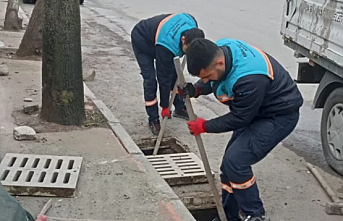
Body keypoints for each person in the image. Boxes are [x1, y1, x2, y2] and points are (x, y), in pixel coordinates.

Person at [178, 38, 303, 221]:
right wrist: (196, 90)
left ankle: (255, 215)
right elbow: (214, 80)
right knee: (228, 167)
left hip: (278, 115)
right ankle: (230, 216)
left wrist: (204, 126)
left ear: (219, 63)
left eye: (206, 76)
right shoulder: (221, 51)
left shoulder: (249, 79)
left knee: (236, 161)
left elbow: (240, 118)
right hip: (257, 110)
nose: (205, 80)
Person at [131, 13, 205, 135]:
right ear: (183, 40)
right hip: (142, 39)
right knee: (150, 79)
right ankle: (153, 119)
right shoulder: (167, 45)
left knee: (174, 74)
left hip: (158, 37)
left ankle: (179, 107)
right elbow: (163, 77)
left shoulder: (192, 23)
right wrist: (165, 106)